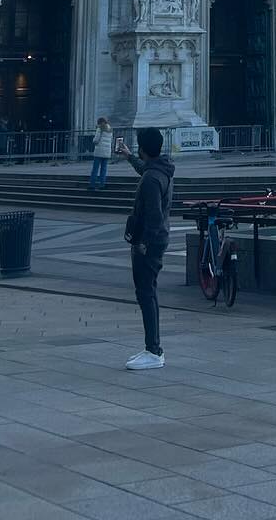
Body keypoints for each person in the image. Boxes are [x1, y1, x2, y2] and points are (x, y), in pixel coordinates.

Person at [115, 128, 175, 369]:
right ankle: (153, 347)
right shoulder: (160, 170)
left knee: (146, 294)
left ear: (144, 148)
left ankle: (153, 350)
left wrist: (143, 244)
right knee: (147, 292)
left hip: (149, 243)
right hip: (157, 240)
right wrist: (130, 156)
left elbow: (154, 217)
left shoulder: (151, 179)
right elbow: (145, 170)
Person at [89, 118, 114, 189]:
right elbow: (111, 141)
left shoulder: (100, 129)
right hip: (106, 152)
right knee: (104, 169)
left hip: (99, 151)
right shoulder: (110, 130)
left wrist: (93, 141)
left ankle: (92, 185)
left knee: (95, 169)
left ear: (100, 123)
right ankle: (102, 184)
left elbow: (96, 140)